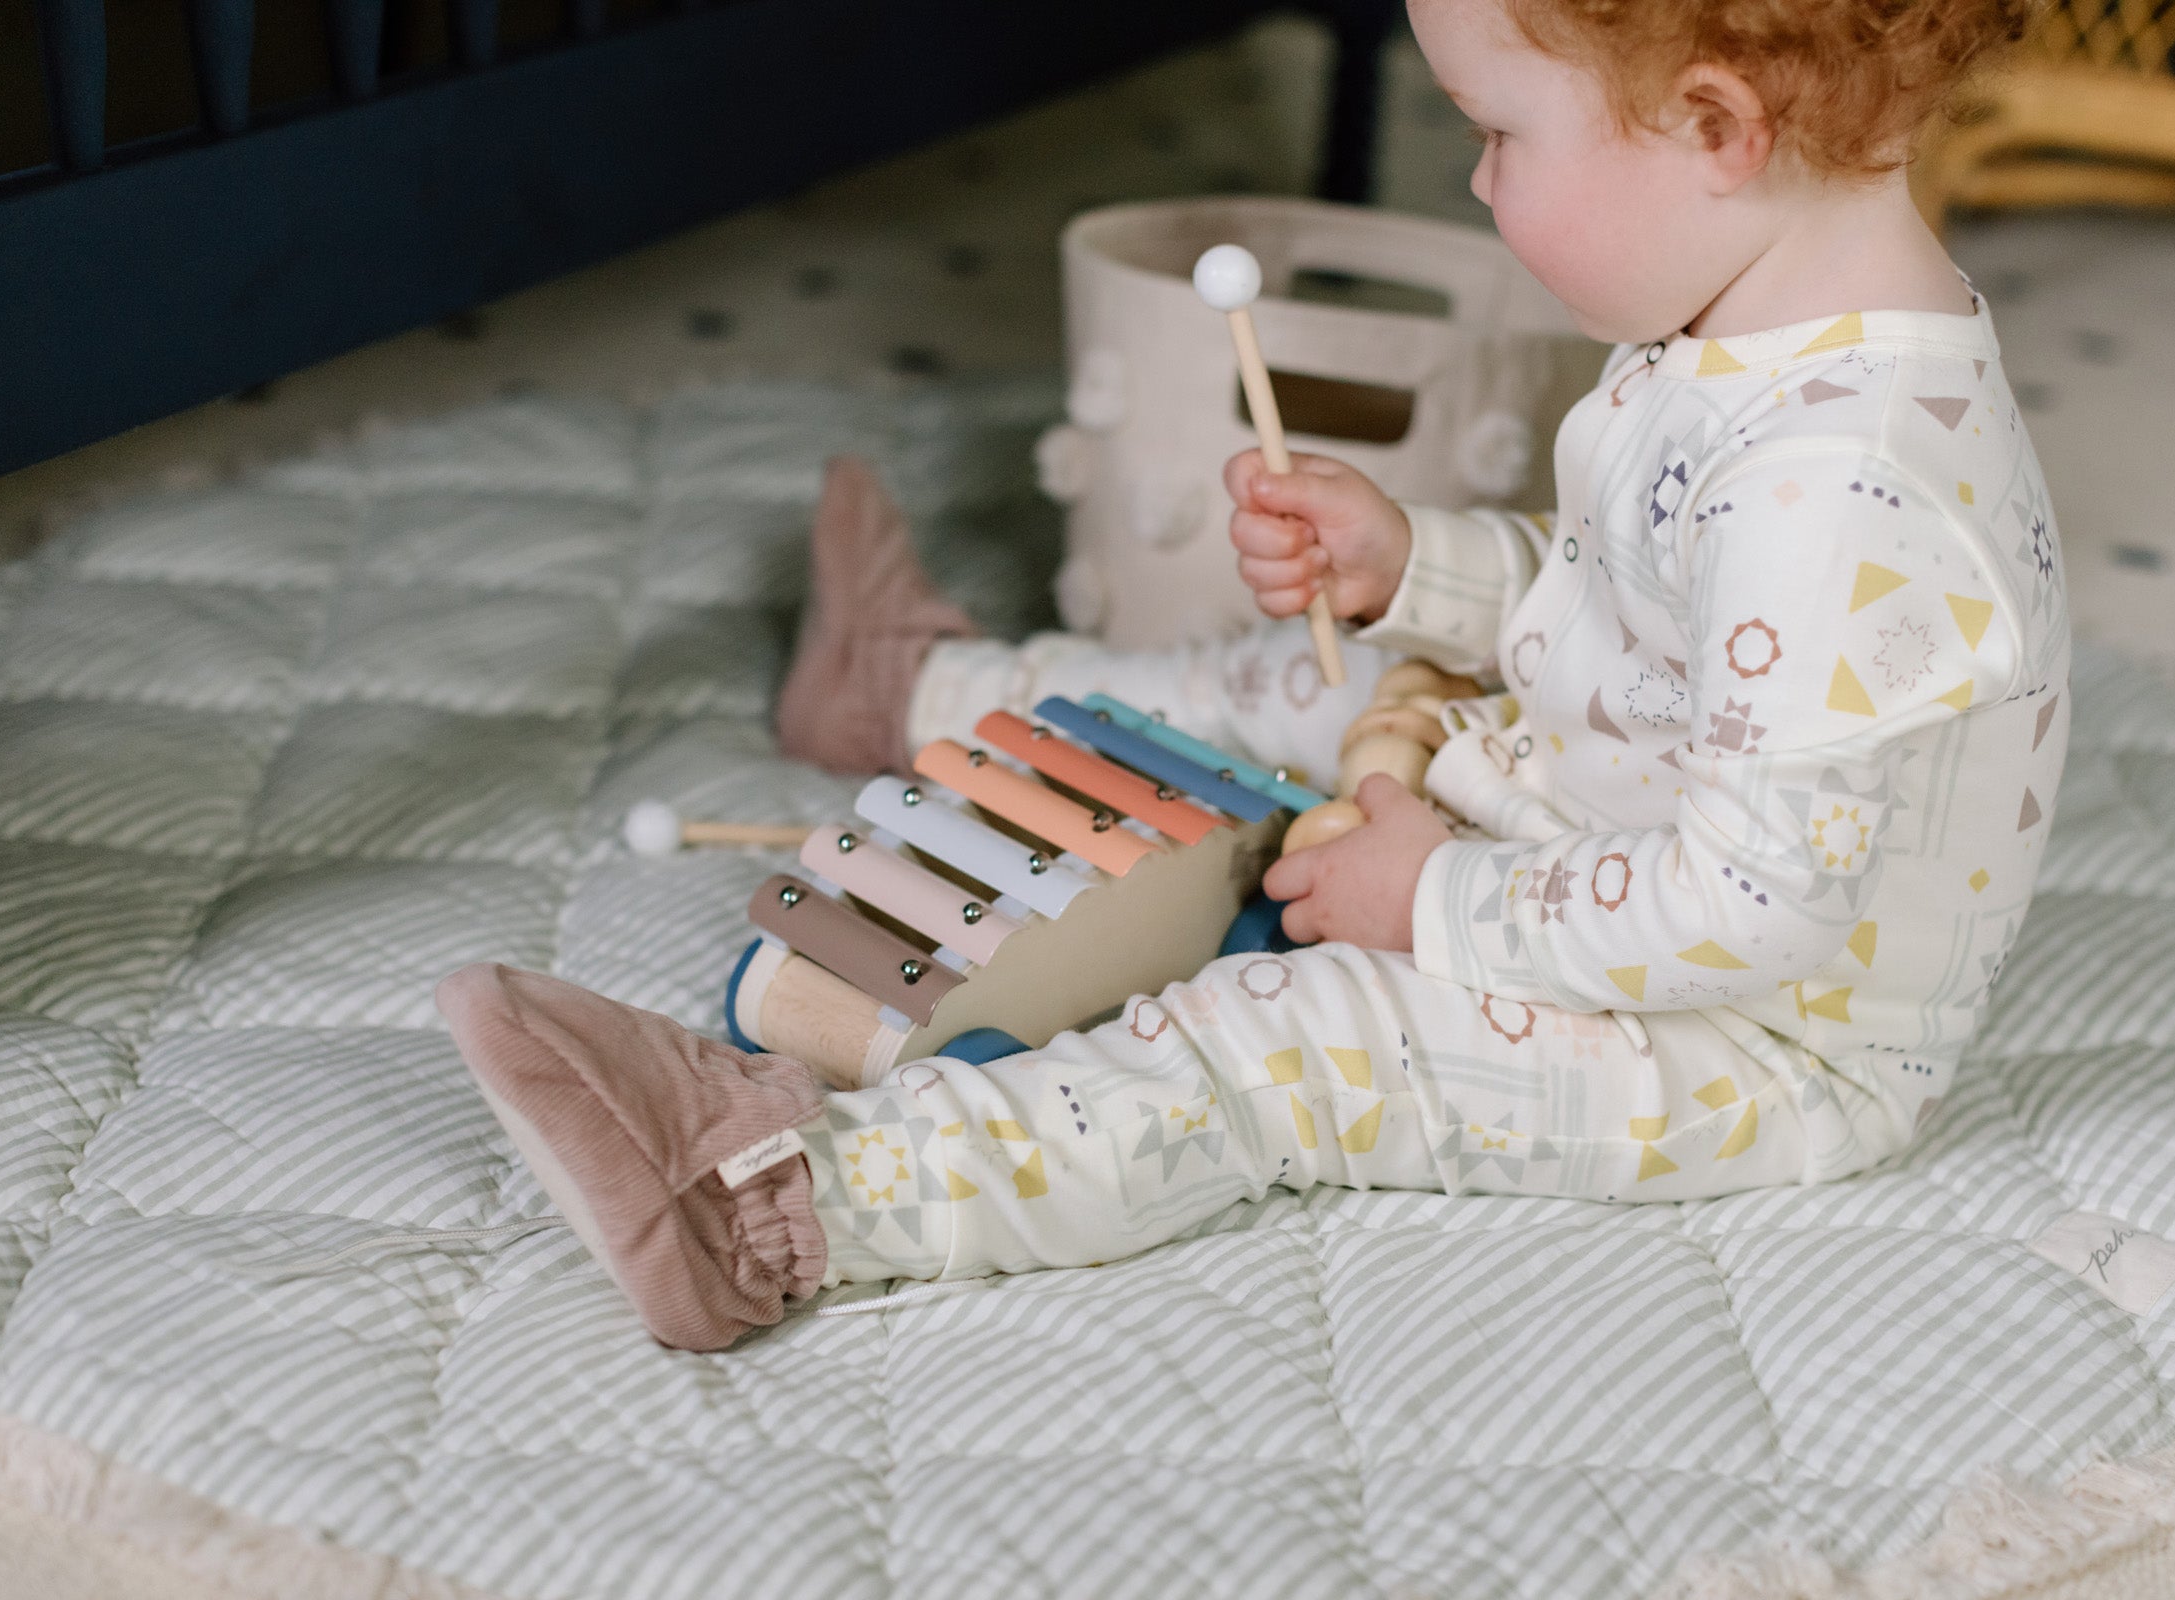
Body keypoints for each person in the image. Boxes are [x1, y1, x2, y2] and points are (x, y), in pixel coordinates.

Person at [441, 0, 2065, 1351]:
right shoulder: (1742, 326)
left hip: (1750, 1036)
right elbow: (1624, 616)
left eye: (1497, 132)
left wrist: (1430, 901)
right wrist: (1410, 564)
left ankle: (777, 1203)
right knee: (1296, 685)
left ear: (1715, 129)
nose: (1484, 187)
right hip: (1587, 825)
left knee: (1277, 1040)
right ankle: (920, 690)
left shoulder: (1847, 493)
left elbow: (1755, 908)